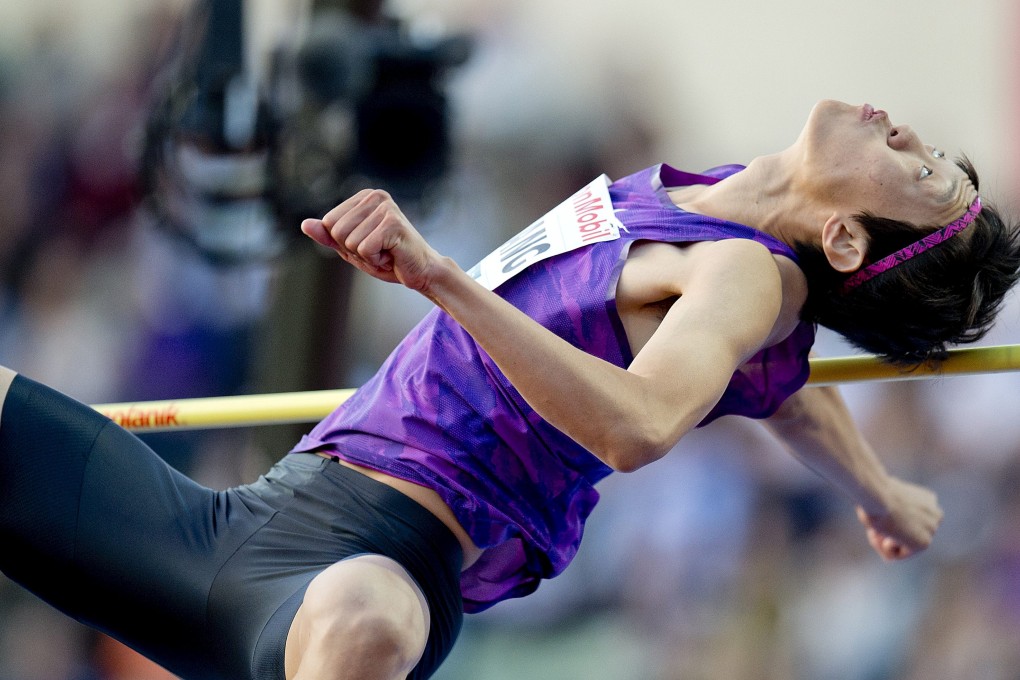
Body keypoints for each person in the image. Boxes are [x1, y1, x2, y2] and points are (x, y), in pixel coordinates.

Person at [1, 99, 1018, 680]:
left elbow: (643, 422)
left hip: (380, 559)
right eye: (936, 156)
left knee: (362, 623)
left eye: (921, 175)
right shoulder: (712, 207)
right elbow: (785, 386)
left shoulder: (747, 273)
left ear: (844, 237)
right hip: (239, 524)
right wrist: (881, 488)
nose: (910, 136)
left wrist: (437, 275)